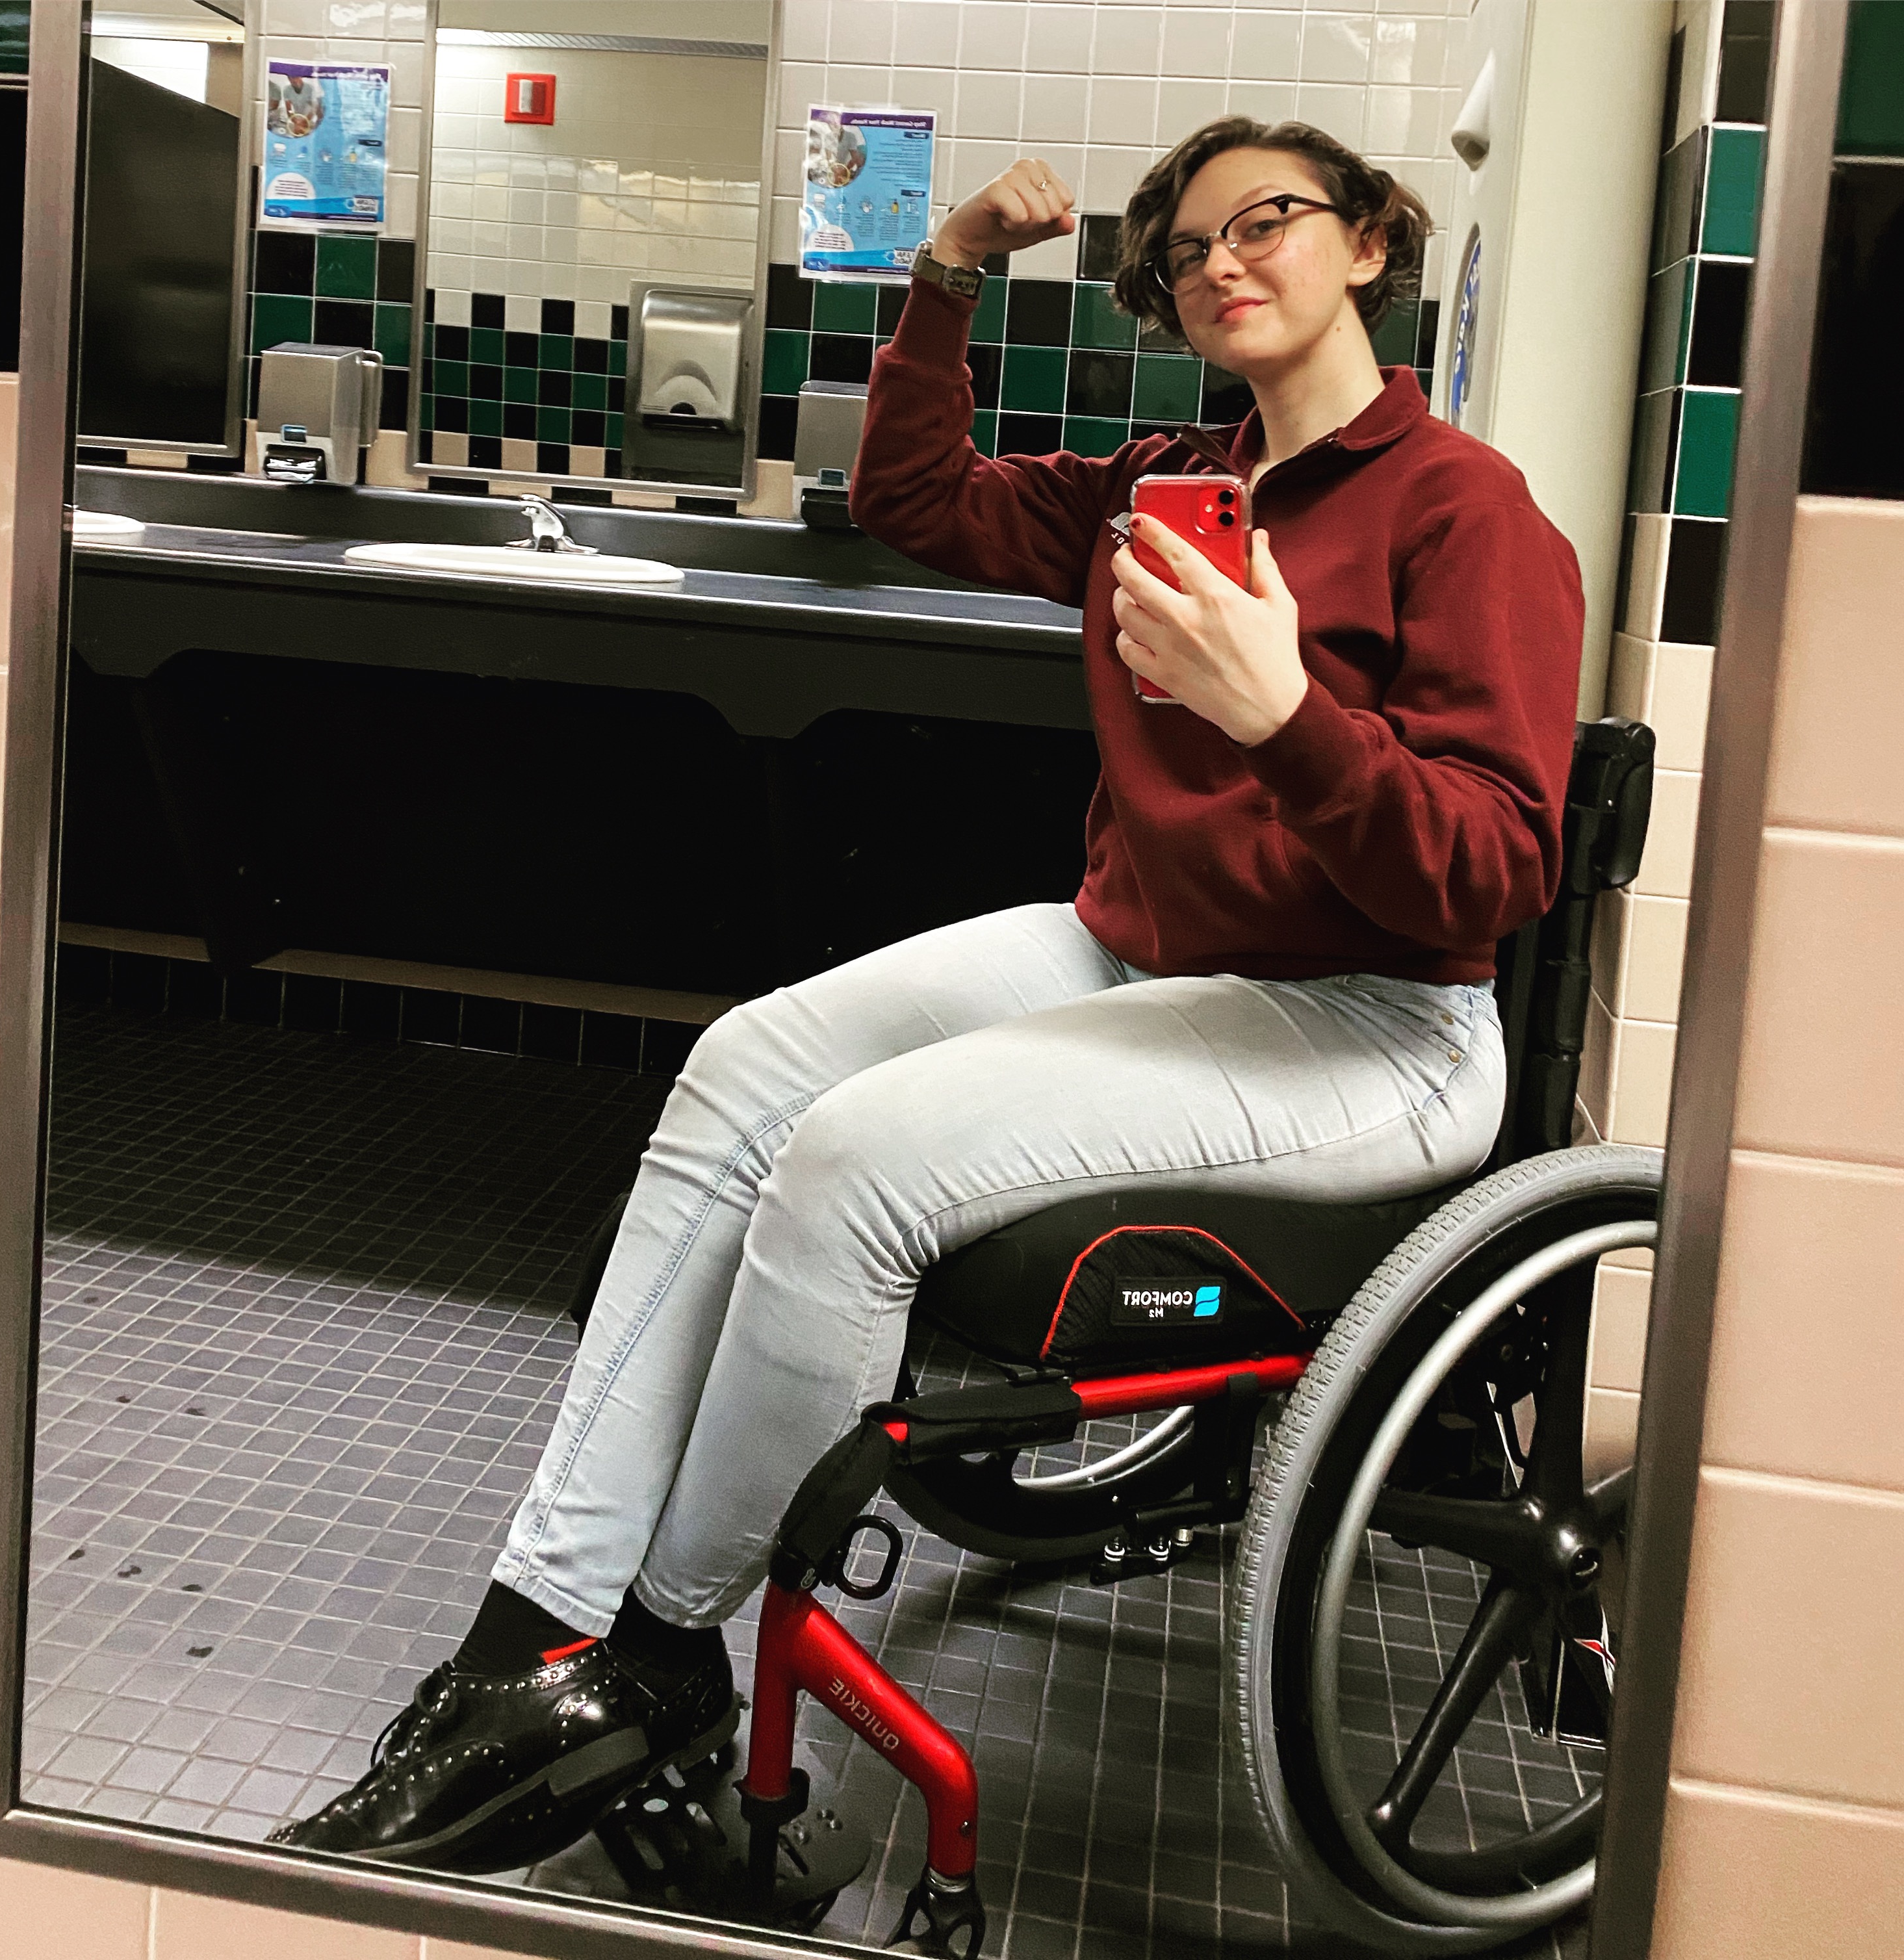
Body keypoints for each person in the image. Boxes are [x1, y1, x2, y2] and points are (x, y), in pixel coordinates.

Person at [274, 117, 1583, 1872]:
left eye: (1267, 220)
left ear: (1366, 243)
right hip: (1143, 952)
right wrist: (949, 271)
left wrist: (1284, 715)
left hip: (1369, 1022)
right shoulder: (1162, 487)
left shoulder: (1467, 512)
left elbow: (1492, 872)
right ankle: (539, 1631)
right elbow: (910, 498)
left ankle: (660, 1645)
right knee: (749, 1066)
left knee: (853, 1164)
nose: (1222, 261)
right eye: (1188, 248)